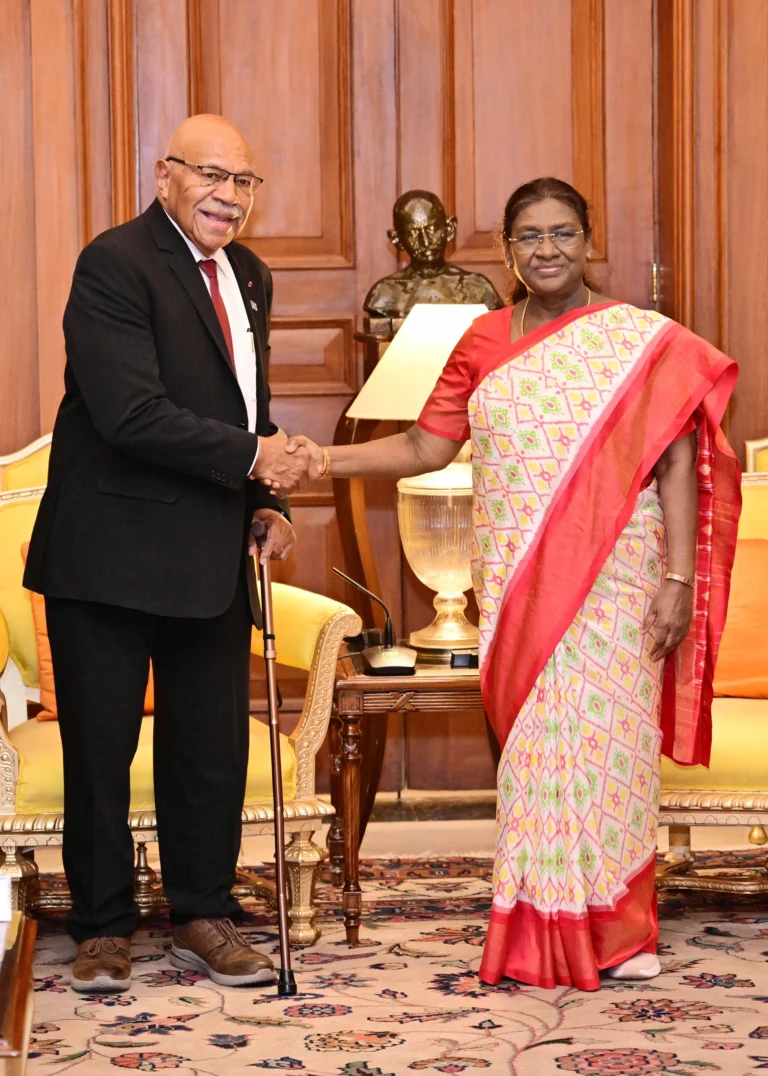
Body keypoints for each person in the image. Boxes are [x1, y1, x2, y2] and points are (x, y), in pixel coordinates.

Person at [280, 177, 742, 991]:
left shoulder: (642, 341)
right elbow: (425, 448)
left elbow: (676, 462)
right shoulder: (483, 339)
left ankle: (621, 930)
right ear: (506, 249)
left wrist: (677, 577)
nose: (547, 249)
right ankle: (538, 925)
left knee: (613, 751)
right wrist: (322, 458)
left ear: (589, 240)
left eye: (563, 233)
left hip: (618, 579)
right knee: (535, 755)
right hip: (519, 584)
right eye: (530, 236)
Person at [23, 114, 310, 993]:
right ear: (165, 176)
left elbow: (245, 406)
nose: (229, 196)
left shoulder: (250, 274)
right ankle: (103, 925)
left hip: (210, 552)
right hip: (107, 554)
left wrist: (265, 502)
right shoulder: (114, 264)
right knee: (100, 753)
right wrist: (255, 459)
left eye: (245, 181)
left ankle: (202, 915)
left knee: (210, 752)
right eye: (211, 175)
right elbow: (129, 413)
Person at [363, 190, 502, 329]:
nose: (425, 241)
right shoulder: (383, 295)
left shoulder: (477, 288)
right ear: (397, 239)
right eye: (413, 233)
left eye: (433, 228)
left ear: (449, 228)